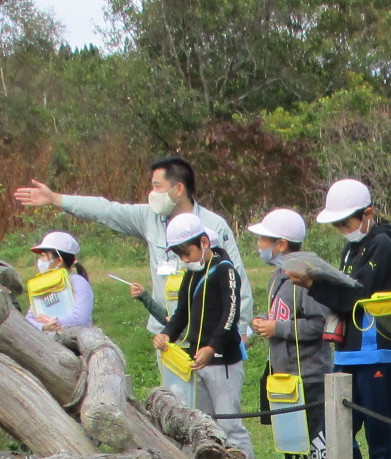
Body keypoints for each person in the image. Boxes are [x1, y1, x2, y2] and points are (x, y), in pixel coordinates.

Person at [13, 156, 251, 393]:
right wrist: (56, 199)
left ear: (179, 189)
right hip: (169, 331)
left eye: (157, 186)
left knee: (223, 408)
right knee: (180, 402)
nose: (152, 192)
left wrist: (239, 329)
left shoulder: (212, 224)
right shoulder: (149, 218)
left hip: (209, 334)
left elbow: (236, 278)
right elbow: (107, 210)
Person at [295, 178, 391, 459]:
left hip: (374, 349)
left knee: (377, 428)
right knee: (339, 426)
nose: (343, 229)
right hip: (345, 350)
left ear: (368, 213)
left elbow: (357, 295)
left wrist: (313, 284)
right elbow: (343, 294)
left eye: (347, 222)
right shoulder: (349, 248)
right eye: (338, 225)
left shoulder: (382, 244)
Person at [247, 207, 336, 459]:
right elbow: (282, 313)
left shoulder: (306, 277)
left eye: (264, 239)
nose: (259, 245)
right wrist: (265, 320)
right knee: (290, 439)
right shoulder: (279, 276)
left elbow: (318, 324)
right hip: (284, 374)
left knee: (314, 442)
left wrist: (277, 328)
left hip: (308, 375)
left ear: (281, 244)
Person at [154, 211, 251, 455]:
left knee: (229, 426)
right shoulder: (191, 274)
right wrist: (167, 333)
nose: (185, 259)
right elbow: (181, 314)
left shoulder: (225, 270)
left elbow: (231, 314)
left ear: (204, 243)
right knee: (202, 425)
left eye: (187, 253)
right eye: (179, 255)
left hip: (222, 361)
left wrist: (213, 347)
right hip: (196, 360)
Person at [23, 231, 94, 332]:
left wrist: (53, 322)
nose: (39, 261)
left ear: (59, 261)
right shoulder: (41, 285)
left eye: (43, 256)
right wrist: (43, 327)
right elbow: (29, 319)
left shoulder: (77, 282)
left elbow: (81, 318)